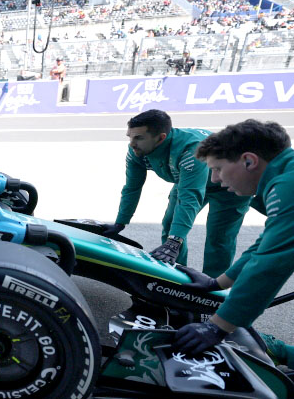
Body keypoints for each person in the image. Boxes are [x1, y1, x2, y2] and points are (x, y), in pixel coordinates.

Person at [174, 120, 294, 367]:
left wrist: (218, 326)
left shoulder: (287, 186)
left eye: (217, 168)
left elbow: (269, 264)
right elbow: (265, 245)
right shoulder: (285, 176)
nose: (215, 179)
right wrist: (217, 283)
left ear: (249, 161)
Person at [103, 110, 251, 276]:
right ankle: (176, 276)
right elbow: (132, 188)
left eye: (139, 138)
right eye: (130, 137)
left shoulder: (191, 149)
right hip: (190, 179)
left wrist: (174, 242)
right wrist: (120, 223)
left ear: (161, 138)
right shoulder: (137, 151)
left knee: (219, 237)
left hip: (232, 184)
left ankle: (214, 285)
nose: (132, 144)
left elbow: (190, 197)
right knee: (170, 225)